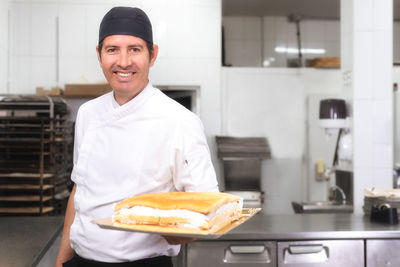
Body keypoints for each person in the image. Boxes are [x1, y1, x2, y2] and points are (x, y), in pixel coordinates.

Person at [55, 6, 218, 267]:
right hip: (81, 261)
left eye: (134, 49)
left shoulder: (180, 121)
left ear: (152, 55)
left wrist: (177, 233)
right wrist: (61, 260)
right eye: (112, 50)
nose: (123, 62)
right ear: (99, 55)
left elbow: (208, 208)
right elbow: (79, 190)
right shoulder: (88, 113)